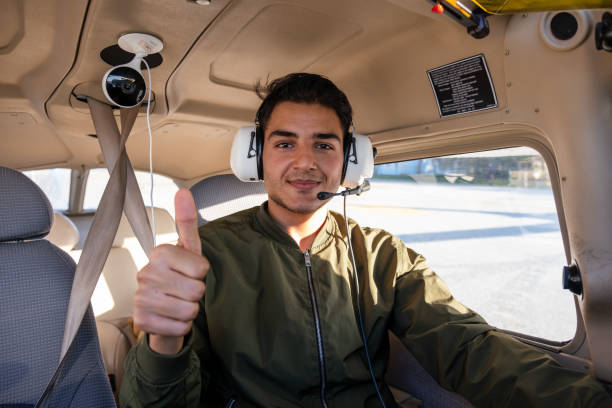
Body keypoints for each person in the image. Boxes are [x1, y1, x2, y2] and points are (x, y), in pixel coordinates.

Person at [120, 73, 612, 407]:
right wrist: (164, 343)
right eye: (285, 142)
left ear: (350, 162)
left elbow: (468, 347)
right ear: (257, 156)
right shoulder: (205, 258)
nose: (305, 162)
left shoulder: (381, 256)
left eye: (324, 145)